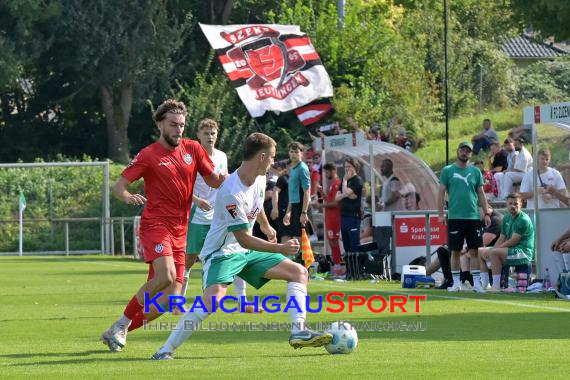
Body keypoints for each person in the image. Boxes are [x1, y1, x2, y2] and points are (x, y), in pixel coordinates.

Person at [151, 133, 333, 360]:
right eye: (273, 158)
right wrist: (279, 248)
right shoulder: (230, 191)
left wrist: (266, 226)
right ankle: (165, 350)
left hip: (244, 251)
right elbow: (244, 238)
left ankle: (299, 332)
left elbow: (256, 207)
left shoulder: (259, 177)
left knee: (299, 272)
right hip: (221, 254)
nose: (274, 163)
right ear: (262, 156)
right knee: (213, 301)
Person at [100, 100, 225, 352]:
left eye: (181, 125)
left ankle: (117, 330)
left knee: (172, 298)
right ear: (160, 124)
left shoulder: (193, 149)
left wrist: (227, 179)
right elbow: (118, 187)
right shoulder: (148, 155)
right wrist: (127, 197)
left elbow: (213, 180)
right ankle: (122, 323)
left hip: (181, 230)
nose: (178, 130)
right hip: (155, 225)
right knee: (165, 276)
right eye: (173, 125)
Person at [179, 118, 257, 314]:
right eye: (206, 133)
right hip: (198, 216)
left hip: (219, 216)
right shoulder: (191, 158)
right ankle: (178, 302)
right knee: (189, 259)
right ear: (198, 135)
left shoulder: (222, 156)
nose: (210, 137)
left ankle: (242, 301)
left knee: (234, 252)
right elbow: (182, 188)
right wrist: (197, 201)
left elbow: (225, 183)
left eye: (213, 133)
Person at [438, 141, 491, 293]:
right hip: (455, 217)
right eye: (462, 149)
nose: (464, 153)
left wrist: (486, 213)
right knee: (455, 251)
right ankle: (455, 284)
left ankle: (476, 284)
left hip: (473, 217)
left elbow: (481, 194)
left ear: (471, 154)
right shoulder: (448, 170)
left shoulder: (475, 171)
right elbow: (441, 193)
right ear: (457, 151)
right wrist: (441, 214)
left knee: (474, 251)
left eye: (467, 151)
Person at [479, 193, 534, 292]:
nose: (513, 206)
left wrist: (494, 251)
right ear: (506, 204)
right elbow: (502, 237)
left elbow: (513, 241)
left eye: (516, 204)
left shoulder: (523, 220)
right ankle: (484, 285)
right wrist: (493, 249)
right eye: (510, 203)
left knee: (494, 253)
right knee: (480, 251)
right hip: (512, 250)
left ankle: (496, 287)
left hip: (523, 252)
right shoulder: (507, 218)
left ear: (521, 204)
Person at [283, 142, 311, 243]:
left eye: (296, 152)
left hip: (302, 206)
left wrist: (304, 212)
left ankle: (308, 259)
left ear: (301, 153)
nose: (293, 154)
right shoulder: (292, 169)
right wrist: (288, 212)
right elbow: (292, 194)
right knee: (297, 237)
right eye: (291, 152)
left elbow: (307, 192)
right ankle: (301, 259)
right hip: (295, 206)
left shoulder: (302, 168)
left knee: (303, 237)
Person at [316, 163, 342, 265]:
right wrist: (321, 191)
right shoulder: (332, 184)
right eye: (325, 172)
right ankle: (336, 264)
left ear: (333, 171)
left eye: (327, 172)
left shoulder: (337, 184)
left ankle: (338, 265)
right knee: (332, 242)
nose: (326, 174)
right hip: (330, 217)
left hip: (335, 217)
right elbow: (328, 200)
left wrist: (321, 206)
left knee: (334, 241)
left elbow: (336, 203)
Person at [336, 158, 363, 255]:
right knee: (346, 246)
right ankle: (349, 268)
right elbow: (337, 197)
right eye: (345, 167)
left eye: (349, 167)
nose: (347, 169)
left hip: (353, 216)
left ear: (355, 167)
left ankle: (357, 269)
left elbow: (347, 192)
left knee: (354, 245)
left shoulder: (357, 180)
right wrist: (346, 194)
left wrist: (345, 181)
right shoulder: (345, 181)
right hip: (344, 216)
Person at [270, 161, 291, 243]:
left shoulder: (292, 179)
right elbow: (275, 192)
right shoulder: (283, 178)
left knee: (289, 235)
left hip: (289, 210)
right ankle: (285, 255)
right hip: (282, 209)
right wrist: (275, 209)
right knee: (285, 235)